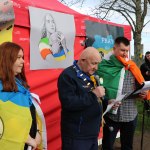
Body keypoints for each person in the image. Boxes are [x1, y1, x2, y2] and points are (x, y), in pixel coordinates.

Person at [97, 37, 147, 150]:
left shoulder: (132, 67)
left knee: (127, 146)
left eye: (127, 51)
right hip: (112, 115)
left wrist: (142, 94)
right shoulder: (105, 66)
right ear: (114, 49)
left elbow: (140, 86)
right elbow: (98, 87)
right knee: (107, 146)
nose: (125, 54)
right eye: (122, 50)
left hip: (130, 114)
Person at [57, 47, 105, 150]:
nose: (96, 67)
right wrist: (94, 94)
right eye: (93, 63)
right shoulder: (67, 75)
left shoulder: (92, 74)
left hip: (92, 132)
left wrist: (108, 102)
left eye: (98, 64)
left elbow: (95, 100)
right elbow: (69, 103)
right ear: (82, 60)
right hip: (77, 135)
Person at [0, 42, 44, 150]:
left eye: (22, 57)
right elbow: (5, 122)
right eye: (18, 57)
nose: (23, 61)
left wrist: (37, 132)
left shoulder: (20, 84)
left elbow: (30, 113)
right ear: (7, 59)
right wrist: (27, 138)